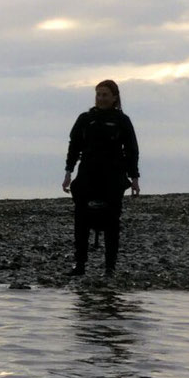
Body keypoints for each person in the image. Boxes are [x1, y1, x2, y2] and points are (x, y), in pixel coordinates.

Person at [63, 79, 140, 276]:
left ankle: (110, 268)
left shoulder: (122, 121)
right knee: (81, 220)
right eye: (98, 94)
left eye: (105, 95)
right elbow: (74, 146)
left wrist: (134, 178)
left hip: (113, 177)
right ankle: (80, 265)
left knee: (112, 222)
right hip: (87, 175)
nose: (101, 98)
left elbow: (131, 150)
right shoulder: (85, 119)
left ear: (114, 98)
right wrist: (68, 172)